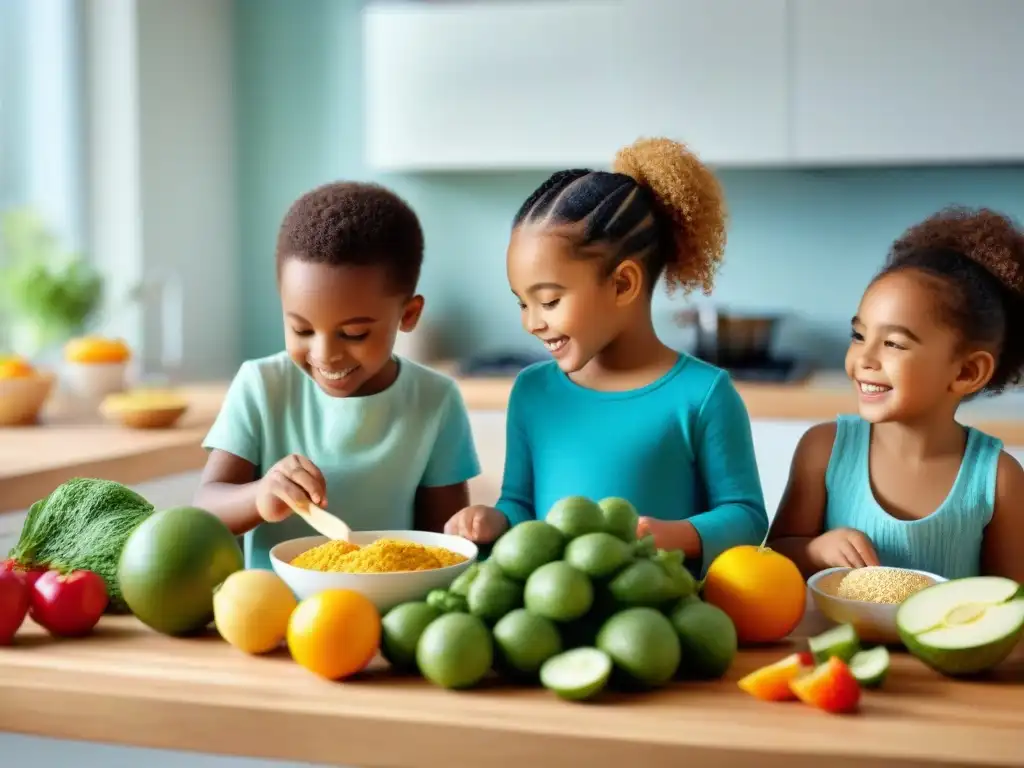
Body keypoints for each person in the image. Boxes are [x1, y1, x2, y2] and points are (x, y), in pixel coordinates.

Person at [444, 137, 768, 575]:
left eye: (549, 301)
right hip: (552, 622)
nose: (532, 322)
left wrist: (673, 534)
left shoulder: (704, 395)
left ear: (622, 285)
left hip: (659, 623)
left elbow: (746, 516)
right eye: (523, 302)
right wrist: (493, 520)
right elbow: (520, 504)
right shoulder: (532, 391)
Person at [196, 182, 480, 570]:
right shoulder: (262, 386)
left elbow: (442, 548)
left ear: (408, 315)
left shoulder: (435, 399)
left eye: (353, 334)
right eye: (301, 329)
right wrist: (261, 495)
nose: (324, 354)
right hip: (276, 620)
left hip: (386, 617)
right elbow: (205, 512)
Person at [768, 206, 1024, 583]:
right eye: (859, 335)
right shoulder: (823, 450)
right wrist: (815, 549)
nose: (864, 358)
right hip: (837, 644)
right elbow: (772, 557)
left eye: (893, 343)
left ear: (967, 371)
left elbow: (1010, 605)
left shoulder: (997, 480)